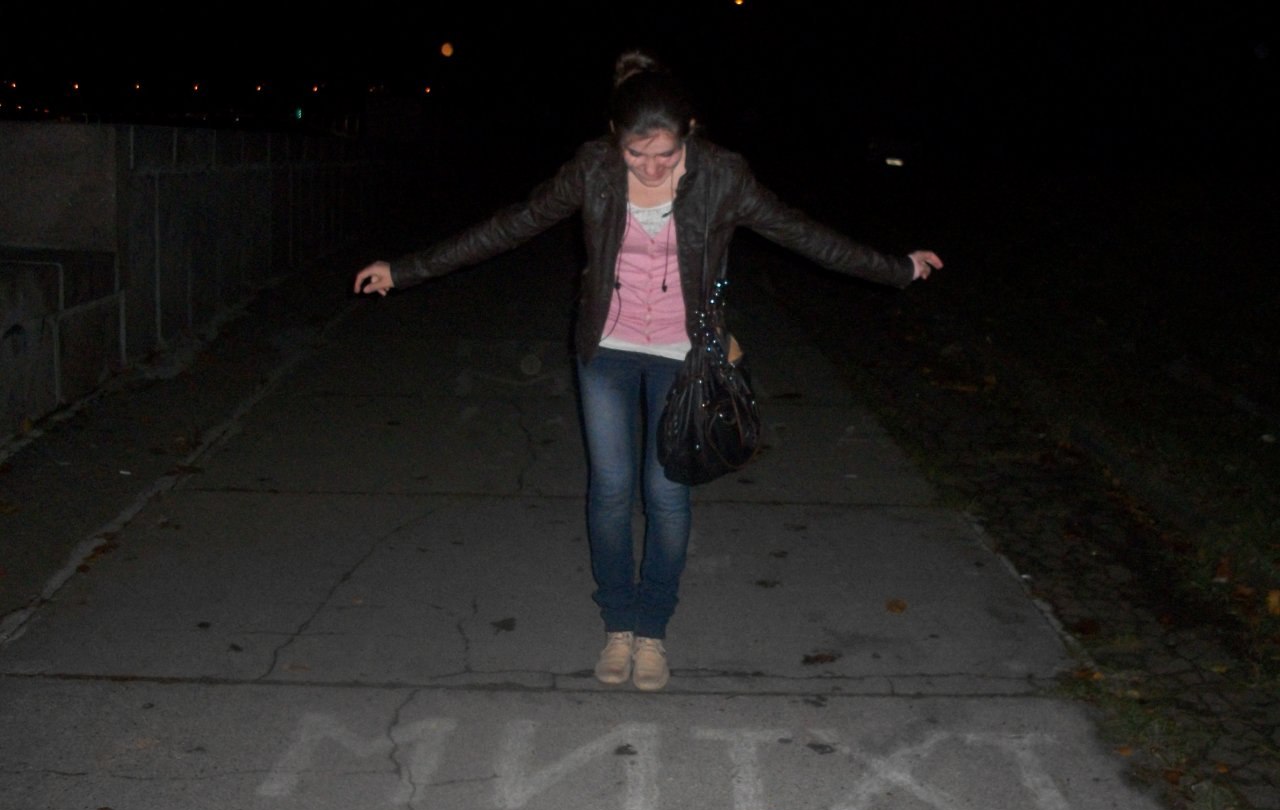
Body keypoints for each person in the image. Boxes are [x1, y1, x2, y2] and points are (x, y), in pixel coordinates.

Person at [353, 50, 943, 693]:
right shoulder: (593, 170)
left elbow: (805, 235)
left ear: (689, 132)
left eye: (666, 154)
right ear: (616, 138)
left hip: (683, 357)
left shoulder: (723, 176)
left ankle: (653, 628)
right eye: (637, 155)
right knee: (610, 491)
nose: (652, 168)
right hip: (605, 350)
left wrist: (896, 268)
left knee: (666, 494)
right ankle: (618, 624)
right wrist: (405, 270)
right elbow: (509, 226)